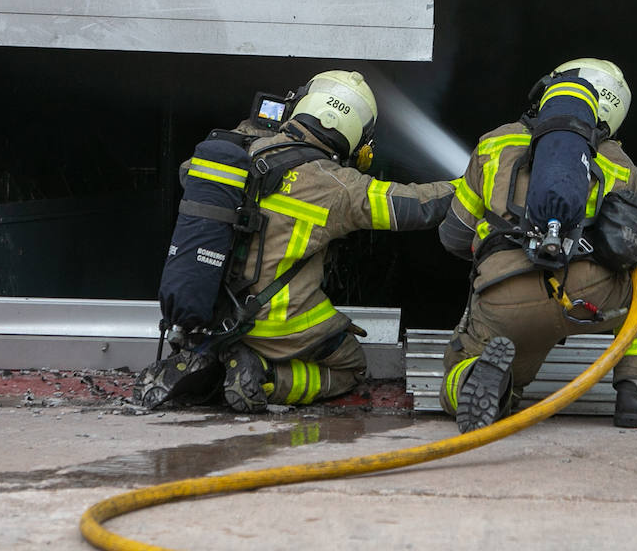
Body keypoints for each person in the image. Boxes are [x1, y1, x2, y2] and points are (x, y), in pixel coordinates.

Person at [135, 69, 458, 413]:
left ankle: (213, 358)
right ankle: (265, 375)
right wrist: (473, 185)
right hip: (274, 323)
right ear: (355, 135)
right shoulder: (339, 186)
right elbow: (417, 206)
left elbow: (189, 174)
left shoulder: (238, 146)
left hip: (207, 310)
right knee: (350, 366)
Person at [437, 58, 637, 433]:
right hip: (585, 298)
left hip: (504, 298)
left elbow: (454, 236)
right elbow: (625, 247)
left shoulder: (495, 142)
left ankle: (479, 378)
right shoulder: (620, 164)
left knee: (460, 373)